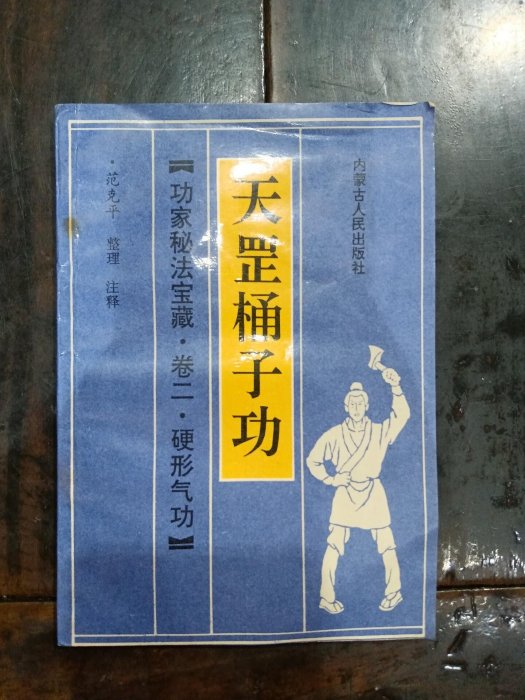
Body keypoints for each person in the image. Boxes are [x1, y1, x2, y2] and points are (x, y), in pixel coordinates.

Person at [306, 367, 410, 614]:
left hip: (373, 492)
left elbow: (402, 415)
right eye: (352, 403)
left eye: (360, 403)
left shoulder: (379, 431)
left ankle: (394, 592)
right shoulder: (334, 435)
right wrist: (332, 479)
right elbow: (313, 460)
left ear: (366, 405)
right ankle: (326, 597)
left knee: (387, 543)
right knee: (334, 544)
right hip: (345, 492)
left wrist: (395, 387)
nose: (356, 407)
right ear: (346, 406)